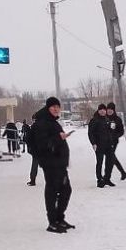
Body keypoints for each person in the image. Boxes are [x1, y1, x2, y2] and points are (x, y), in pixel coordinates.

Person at [28, 97, 74, 234]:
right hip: (50, 163)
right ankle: (52, 222)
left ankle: (59, 218)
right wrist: (59, 138)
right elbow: (43, 145)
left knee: (66, 190)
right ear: (48, 108)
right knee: (53, 192)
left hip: (59, 164)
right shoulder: (42, 123)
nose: (56, 109)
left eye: (57, 107)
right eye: (53, 107)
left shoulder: (52, 122)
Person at [87, 104, 114, 188]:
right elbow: (90, 133)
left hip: (108, 144)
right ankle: (99, 180)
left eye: (104, 110)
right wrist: (93, 143)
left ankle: (107, 178)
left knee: (110, 161)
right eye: (101, 110)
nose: (103, 111)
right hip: (99, 145)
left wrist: (111, 141)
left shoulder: (107, 119)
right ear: (98, 111)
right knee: (100, 162)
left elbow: (109, 132)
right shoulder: (94, 120)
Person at [104, 102, 126, 182]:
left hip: (113, 141)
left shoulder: (117, 119)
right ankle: (122, 172)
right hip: (104, 141)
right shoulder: (104, 118)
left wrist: (115, 136)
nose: (109, 111)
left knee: (110, 157)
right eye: (108, 109)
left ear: (113, 110)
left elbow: (121, 131)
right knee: (111, 157)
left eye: (111, 109)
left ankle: (107, 176)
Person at [25, 114, 39, 187]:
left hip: (36, 150)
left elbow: (28, 139)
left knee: (34, 165)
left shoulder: (33, 128)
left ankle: (33, 180)